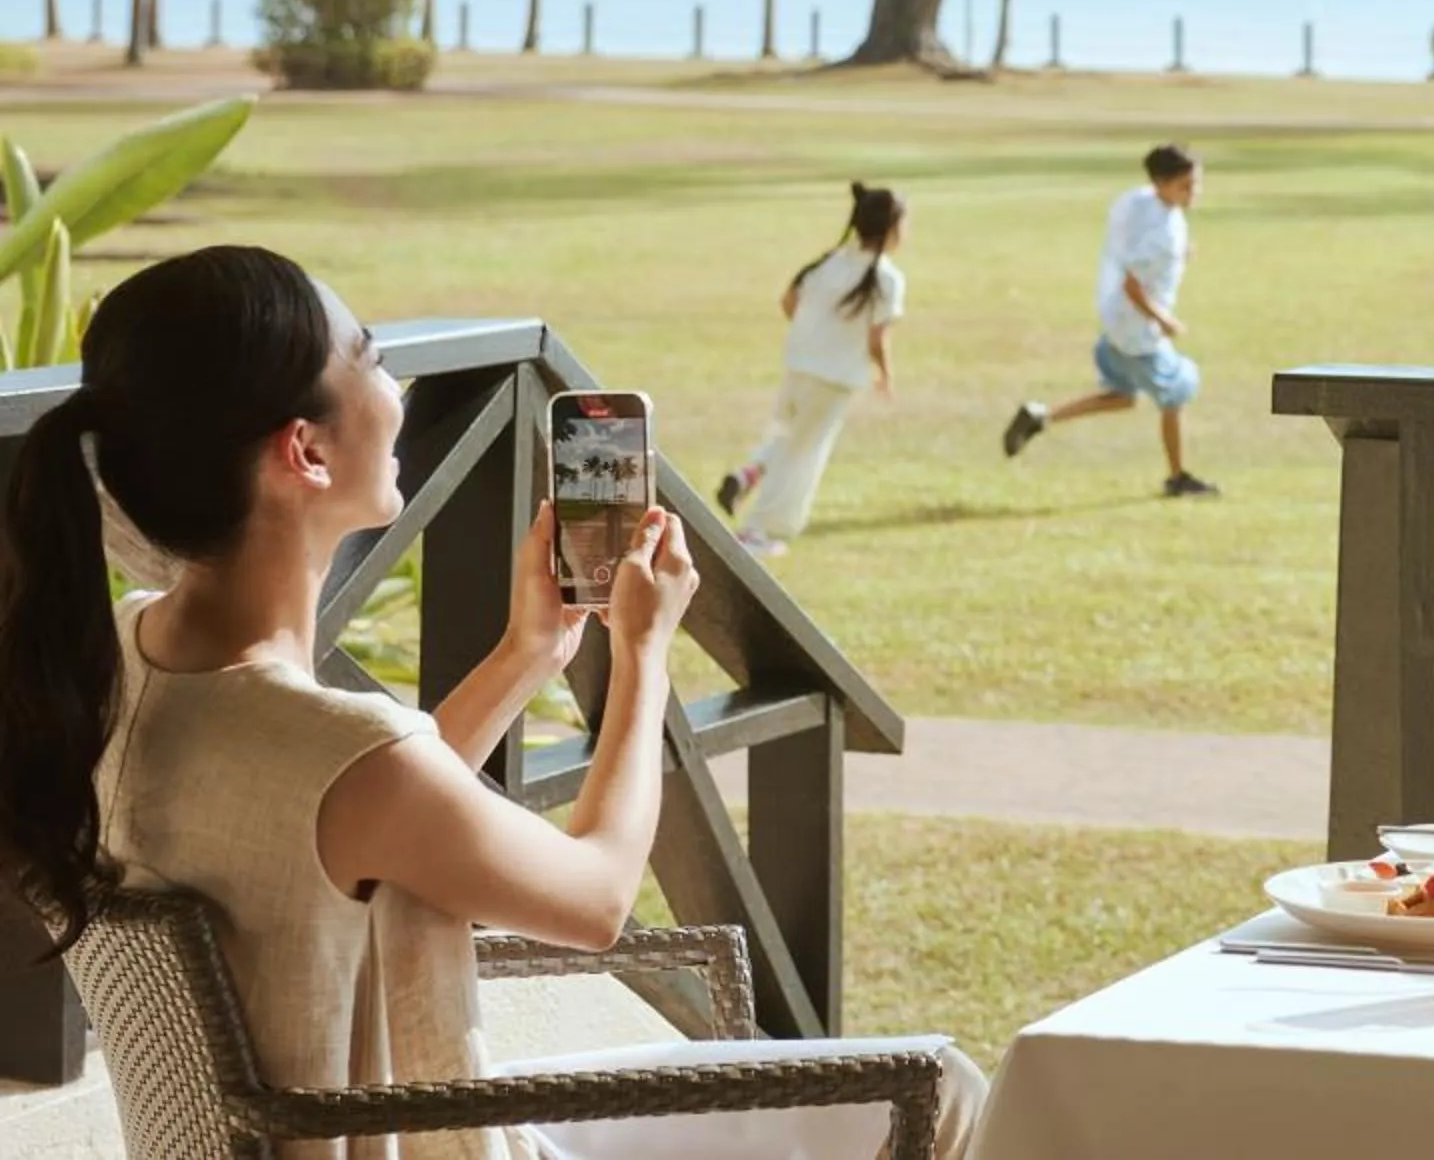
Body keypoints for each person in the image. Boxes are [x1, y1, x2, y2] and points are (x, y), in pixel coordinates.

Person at [0, 246, 998, 1158]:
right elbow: (597, 898)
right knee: (938, 1087)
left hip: (320, 1122)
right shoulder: (343, 753)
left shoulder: (120, 659)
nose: (395, 389)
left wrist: (529, 654)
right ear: (304, 452)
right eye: (372, 357)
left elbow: (356, 816)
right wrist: (642, 656)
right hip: (425, 1137)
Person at [1002, 144, 1216, 498]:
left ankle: (1041, 416)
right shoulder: (1161, 235)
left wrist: (1180, 255)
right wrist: (1164, 320)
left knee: (1122, 397)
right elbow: (1133, 282)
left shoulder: (1140, 200)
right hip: (1137, 331)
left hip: (1114, 321)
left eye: (1196, 184)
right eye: (1186, 186)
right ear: (1161, 183)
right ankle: (1177, 477)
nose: (1194, 192)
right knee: (1175, 395)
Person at [717, 183, 909, 555]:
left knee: (787, 437)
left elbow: (789, 302)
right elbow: (876, 339)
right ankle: (758, 531)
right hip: (834, 378)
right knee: (802, 453)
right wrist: (885, 373)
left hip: (799, 366)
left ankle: (748, 475)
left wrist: (812, 335)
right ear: (891, 229)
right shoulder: (887, 278)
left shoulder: (828, 263)